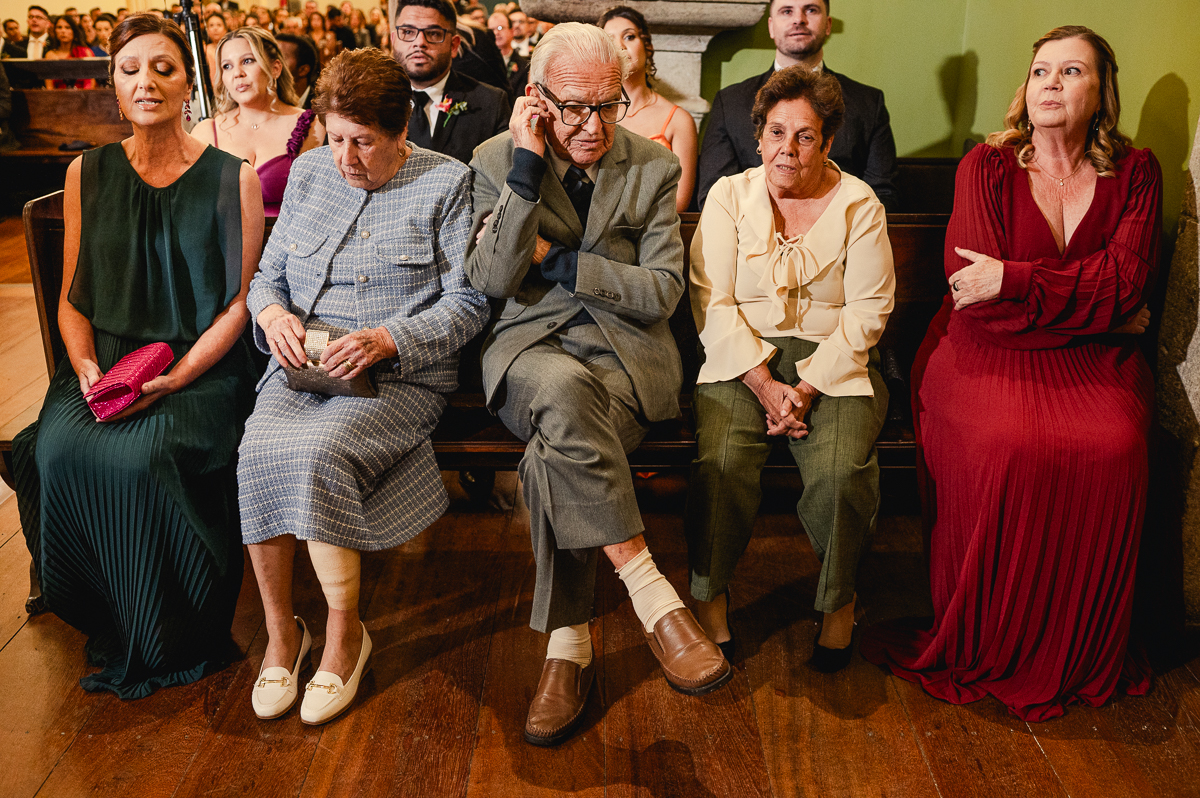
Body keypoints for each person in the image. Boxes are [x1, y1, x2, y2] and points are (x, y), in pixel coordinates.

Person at [860, 26, 1162, 721]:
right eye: (1040, 71)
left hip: (1094, 363)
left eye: (1072, 71)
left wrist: (1018, 279)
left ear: (1102, 92)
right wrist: (1101, 315)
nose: (1050, 83)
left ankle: (1078, 647)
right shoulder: (987, 166)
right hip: (983, 351)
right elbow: (979, 298)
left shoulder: (1137, 172)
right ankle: (988, 636)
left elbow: (1128, 282)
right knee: (1007, 444)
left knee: (1116, 444)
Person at [465, 22, 732, 748]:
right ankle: (653, 596)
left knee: (552, 454)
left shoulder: (652, 165)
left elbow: (662, 292)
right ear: (536, 99)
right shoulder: (494, 160)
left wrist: (558, 262)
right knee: (559, 389)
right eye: (574, 108)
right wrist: (526, 170)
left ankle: (568, 646)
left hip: (626, 360)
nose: (593, 126)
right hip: (528, 351)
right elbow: (492, 278)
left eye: (608, 106)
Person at [11, 13, 262, 699]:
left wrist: (177, 378)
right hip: (109, 360)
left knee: (146, 457)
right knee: (57, 448)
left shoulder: (232, 178)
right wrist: (86, 367)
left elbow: (237, 305)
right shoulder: (86, 173)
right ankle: (99, 609)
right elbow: (72, 300)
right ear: (115, 87)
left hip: (201, 364)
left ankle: (169, 627)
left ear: (188, 87)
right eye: (130, 70)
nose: (146, 81)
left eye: (163, 68)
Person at [239, 47, 489, 725]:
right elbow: (266, 277)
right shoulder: (309, 173)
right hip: (303, 365)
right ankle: (283, 636)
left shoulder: (448, 184)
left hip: (397, 376)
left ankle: (345, 637)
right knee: (256, 451)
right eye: (335, 138)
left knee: (319, 452)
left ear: (402, 130)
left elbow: (469, 303)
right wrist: (273, 314)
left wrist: (387, 339)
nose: (346, 159)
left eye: (364, 143)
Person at [686, 65, 893, 672]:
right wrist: (763, 381)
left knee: (842, 472)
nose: (788, 149)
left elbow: (869, 309)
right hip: (740, 356)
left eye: (805, 136)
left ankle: (838, 601)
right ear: (758, 137)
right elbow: (711, 300)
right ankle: (709, 594)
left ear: (827, 143)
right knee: (721, 462)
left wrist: (802, 388)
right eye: (776, 132)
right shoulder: (729, 196)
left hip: (836, 360)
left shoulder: (859, 203)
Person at [696, 0, 897, 212]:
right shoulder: (730, 103)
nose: (798, 19)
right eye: (787, 11)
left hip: (844, 229)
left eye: (811, 10)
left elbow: (884, 196)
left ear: (828, 25)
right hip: (752, 231)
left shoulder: (868, 102)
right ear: (771, 27)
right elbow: (714, 197)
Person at [191, 26, 324, 216]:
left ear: (275, 68)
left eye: (247, 61)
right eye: (227, 66)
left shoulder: (314, 126)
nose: (237, 73)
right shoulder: (205, 132)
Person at [599, 6, 697, 213]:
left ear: (647, 45)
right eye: (610, 40)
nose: (620, 46)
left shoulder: (678, 120)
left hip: (657, 226)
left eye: (629, 37)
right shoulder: (593, 114)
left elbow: (680, 201)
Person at [392, 0, 509, 165]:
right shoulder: (373, 103)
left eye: (433, 33)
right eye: (408, 32)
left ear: (454, 45)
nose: (419, 42)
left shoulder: (490, 104)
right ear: (393, 40)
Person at [42, 16, 95, 89]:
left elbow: (90, 83)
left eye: (67, 28)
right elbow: (49, 87)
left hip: (83, 94)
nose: (63, 31)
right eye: (59, 27)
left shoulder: (86, 52)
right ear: (55, 31)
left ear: (74, 31)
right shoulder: (50, 55)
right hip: (57, 95)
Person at [276, 31, 319, 109]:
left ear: (303, 70)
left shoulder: (322, 108)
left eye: (280, 58)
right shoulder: (266, 102)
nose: (271, 63)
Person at [488, 10, 526, 96]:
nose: (496, 33)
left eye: (500, 28)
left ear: (511, 31)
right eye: (492, 30)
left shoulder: (524, 65)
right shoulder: (484, 65)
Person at [204, 11, 228, 85]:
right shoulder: (204, 50)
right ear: (207, 30)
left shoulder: (231, 48)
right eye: (211, 25)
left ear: (225, 29)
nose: (215, 28)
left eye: (219, 25)